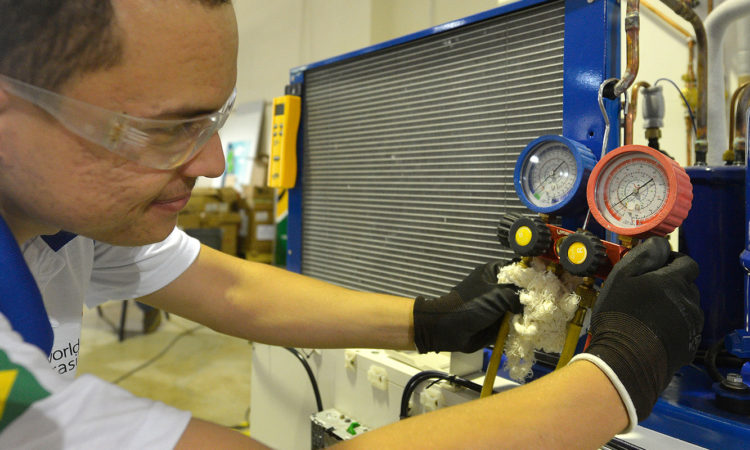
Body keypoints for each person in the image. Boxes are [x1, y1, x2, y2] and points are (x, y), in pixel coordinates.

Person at [0, 1, 703, 448]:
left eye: (212, 120)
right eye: (166, 129)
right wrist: (614, 379)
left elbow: (231, 291)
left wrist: (429, 319)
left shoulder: (71, 214)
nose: (212, 162)